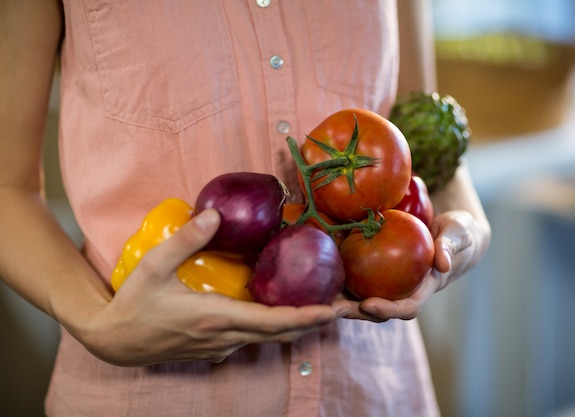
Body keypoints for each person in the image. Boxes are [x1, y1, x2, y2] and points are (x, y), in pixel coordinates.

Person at [0, 0, 490, 416]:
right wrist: (98, 325)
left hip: (371, 388)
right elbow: (7, 186)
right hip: (153, 392)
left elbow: (417, 141)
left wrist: (465, 230)